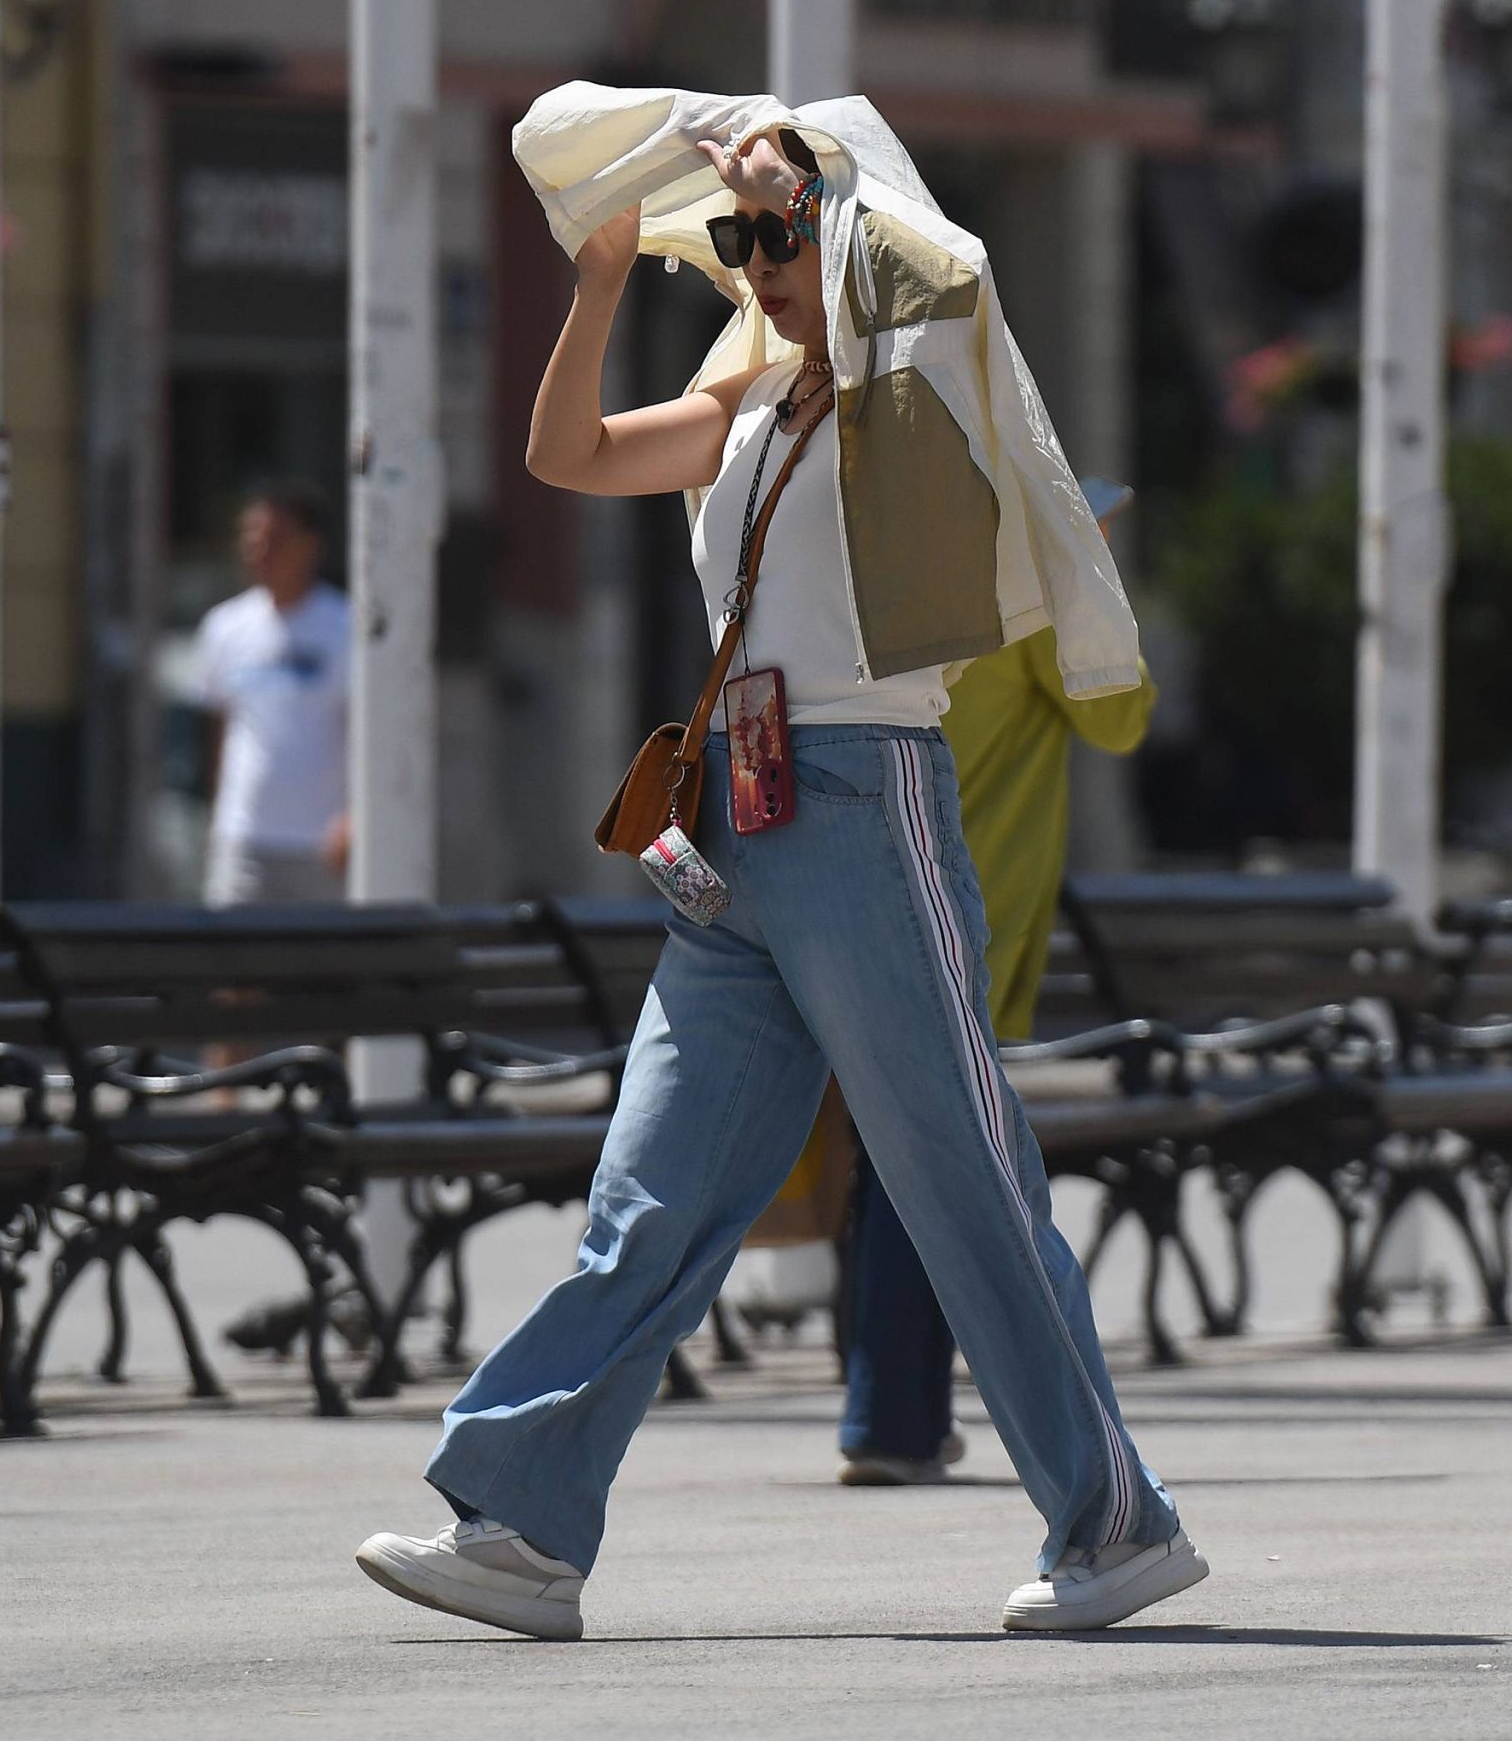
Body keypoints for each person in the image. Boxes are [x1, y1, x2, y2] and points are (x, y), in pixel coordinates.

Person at [355, 85, 1202, 1639]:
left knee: (960, 1177)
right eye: (740, 241)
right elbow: (564, 453)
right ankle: (522, 1528)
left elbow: (935, 269)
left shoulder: (918, 388)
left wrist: (796, 178)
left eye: (786, 234)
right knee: (653, 1193)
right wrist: (602, 280)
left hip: (868, 798)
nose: (763, 262)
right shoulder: (746, 410)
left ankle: (1117, 1524)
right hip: (740, 828)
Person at [839, 623, 1157, 1484]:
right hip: (969, 907)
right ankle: (891, 1420)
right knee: (930, 1150)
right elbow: (1120, 716)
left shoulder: (881, 592)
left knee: (901, 1144)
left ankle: (903, 1413)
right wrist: (1090, 589)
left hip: (852, 887)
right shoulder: (1029, 610)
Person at [162, 485, 351, 906]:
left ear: (311, 545)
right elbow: (218, 730)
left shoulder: (347, 626)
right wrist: (218, 819)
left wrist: (355, 818)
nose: (259, 551)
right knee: (236, 946)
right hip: (244, 841)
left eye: (275, 539)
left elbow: (363, 730)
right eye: (250, 538)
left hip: (322, 844)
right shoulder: (225, 627)